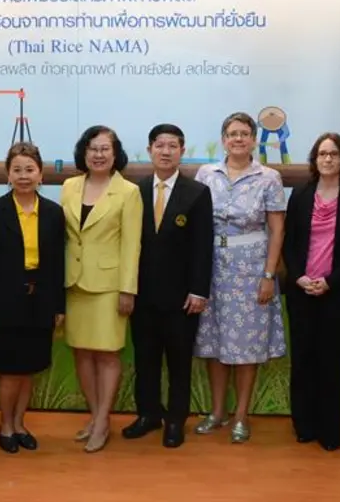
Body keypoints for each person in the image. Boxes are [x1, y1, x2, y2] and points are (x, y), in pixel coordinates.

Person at [193, 112, 287, 443]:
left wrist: (268, 275)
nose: (238, 139)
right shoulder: (206, 174)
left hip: (251, 270)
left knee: (247, 347)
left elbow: (277, 230)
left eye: (244, 134)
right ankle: (217, 412)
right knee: (214, 343)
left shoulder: (269, 177)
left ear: (253, 139)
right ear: (223, 139)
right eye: (232, 133)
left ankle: (241, 416)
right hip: (212, 267)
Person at [122, 124, 213, 448]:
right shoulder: (135, 191)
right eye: (159, 145)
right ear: (150, 150)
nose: (165, 151)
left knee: (178, 362)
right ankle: (148, 414)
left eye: (172, 146)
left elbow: (203, 246)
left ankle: (175, 420)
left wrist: (199, 291)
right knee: (145, 359)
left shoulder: (197, 193)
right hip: (142, 295)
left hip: (182, 298)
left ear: (182, 151)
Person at [0, 142, 66, 453]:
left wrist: (58, 306)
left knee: (30, 368)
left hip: (40, 301)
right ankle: (5, 425)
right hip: (5, 303)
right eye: (17, 170)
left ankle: (20, 424)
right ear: (8, 174)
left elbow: (58, 264)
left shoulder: (53, 213)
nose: (24, 176)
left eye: (30, 169)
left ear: (40, 174)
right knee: (9, 370)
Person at [282, 132, 340, 451]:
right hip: (302, 290)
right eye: (322, 154)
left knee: (333, 360)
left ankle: (331, 427)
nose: (328, 159)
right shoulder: (300, 195)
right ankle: (304, 424)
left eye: (334, 154)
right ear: (314, 160)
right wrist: (299, 277)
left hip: (338, 292)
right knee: (303, 358)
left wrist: (331, 281)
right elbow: (289, 243)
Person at [60, 125, 143, 453]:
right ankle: (95, 417)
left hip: (110, 286)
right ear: (83, 152)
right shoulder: (69, 186)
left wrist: (127, 290)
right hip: (74, 283)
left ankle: (104, 419)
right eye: (92, 148)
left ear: (115, 153)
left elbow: (132, 245)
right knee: (81, 352)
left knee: (108, 354)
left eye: (105, 149)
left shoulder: (128, 192)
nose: (98, 154)